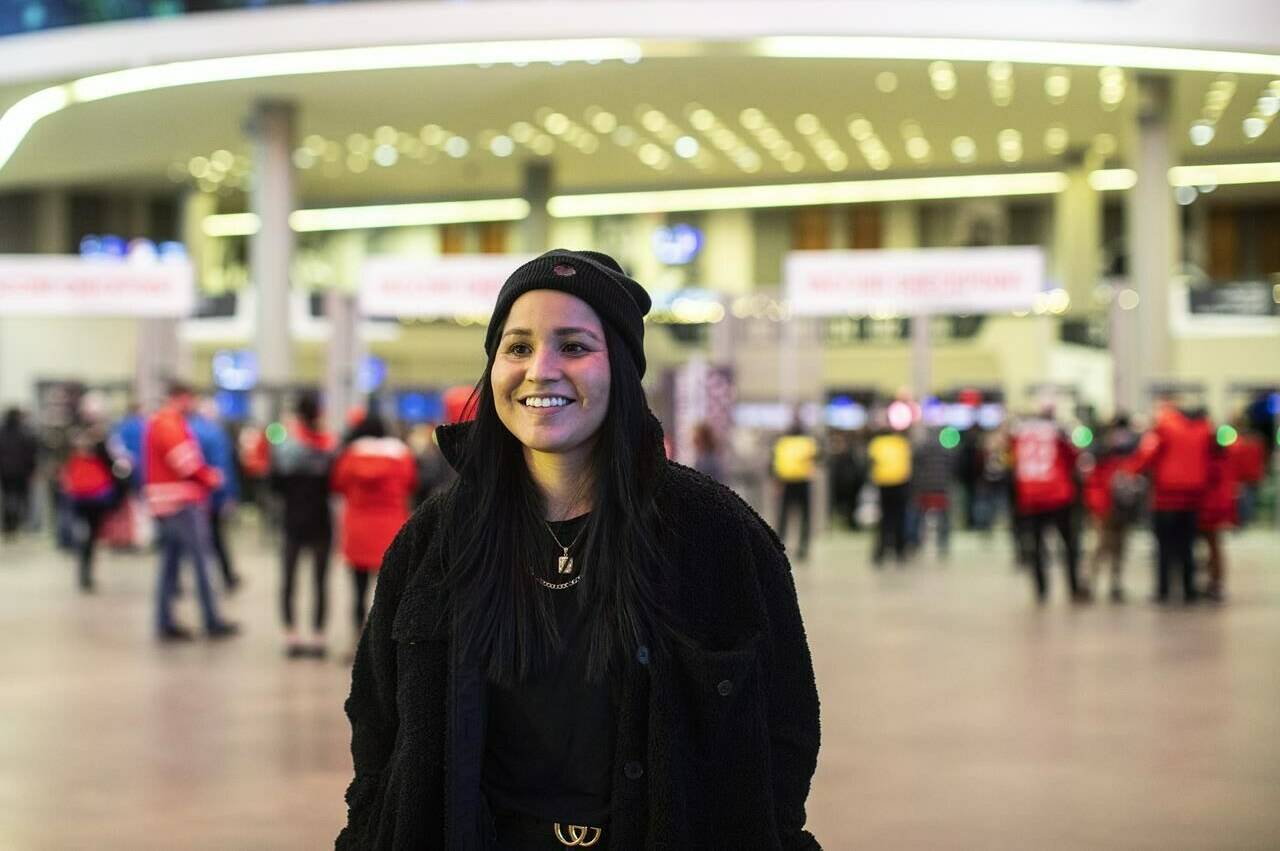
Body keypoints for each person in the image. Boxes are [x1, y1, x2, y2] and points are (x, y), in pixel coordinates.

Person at [337, 249, 821, 850]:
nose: (540, 369)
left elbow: (786, 733)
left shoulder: (716, 534)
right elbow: (377, 726)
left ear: (619, 366)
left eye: (573, 346)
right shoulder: (436, 538)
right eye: (517, 347)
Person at [143, 380, 238, 641]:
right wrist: (211, 479)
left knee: (170, 567)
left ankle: (165, 622)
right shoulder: (169, 423)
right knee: (200, 562)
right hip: (180, 504)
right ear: (181, 397)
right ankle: (212, 621)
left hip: (168, 504)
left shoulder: (161, 422)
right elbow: (185, 461)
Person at [331, 413, 416, 646]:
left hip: (358, 530)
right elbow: (410, 484)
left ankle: (357, 641)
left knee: (358, 591)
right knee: (391, 593)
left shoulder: (349, 456)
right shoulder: (401, 456)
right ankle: (388, 643)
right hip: (391, 530)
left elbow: (337, 485)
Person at [269, 393, 336, 658]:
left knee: (289, 579)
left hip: (292, 520)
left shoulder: (285, 448)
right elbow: (336, 483)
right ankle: (319, 637)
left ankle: (291, 635)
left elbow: (274, 486)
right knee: (320, 580)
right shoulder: (329, 447)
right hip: (321, 520)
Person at [1128, 401, 1215, 604]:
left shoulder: (1163, 428)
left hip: (1164, 499)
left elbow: (1146, 456)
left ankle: (1164, 590)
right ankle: (1189, 590)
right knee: (1187, 546)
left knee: (1164, 547)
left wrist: (1130, 471)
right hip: (1193, 499)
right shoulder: (1203, 430)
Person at [1011, 408, 1084, 603]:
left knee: (1036, 546)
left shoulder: (1020, 435)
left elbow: (1014, 461)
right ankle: (1073, 587)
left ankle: (1041, 589)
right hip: (1058, 495)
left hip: (1031, 496)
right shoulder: (1057, 433)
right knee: (1069, 544)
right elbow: (1073, 458)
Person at [58, 423, 127, 591]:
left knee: (85, 533)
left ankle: (84, 569)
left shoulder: (72, 448)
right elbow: (115, 469)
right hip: (96, 497)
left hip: (79, 496)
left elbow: (64, 471)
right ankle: (86, 571)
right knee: (91, 535)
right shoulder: (102, 447)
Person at [1082, 416, 1141, 603]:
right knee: (1101, 546)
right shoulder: (1100, 453)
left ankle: (1114, 584)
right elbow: (1092, 481)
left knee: (1119, 547)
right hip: (1104, 507)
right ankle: (1090, 583)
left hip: (1120, 507)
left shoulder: (1130, 452)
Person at [190, 398, 241, 591]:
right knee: (217, 538)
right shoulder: (216, 434)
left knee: (197, 541)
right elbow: (223, 469)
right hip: (212, 495)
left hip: (193, 497)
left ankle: (200, 579)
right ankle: (226, 577)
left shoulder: (188, 430)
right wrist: (230, 495)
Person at [771, 412, 819, 561]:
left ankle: (779, 545)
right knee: (803, 516)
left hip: (787, 482)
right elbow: (817, 459)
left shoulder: (782, 442)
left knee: (784, 516)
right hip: (802, 482)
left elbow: (774, 464)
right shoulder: (808, 442)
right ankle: (802, 547)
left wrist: (777, 481)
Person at [867, 420, 912, 566]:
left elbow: (871, 462)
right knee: (900, 519)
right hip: (900, 484)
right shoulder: (901, 443)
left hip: (883, 484)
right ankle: (900, 552)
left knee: (885, 520)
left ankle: (880, 552)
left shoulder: (877, 443)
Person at [1198, 444, 1237, 602]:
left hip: (1208, 509)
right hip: (1217, 508)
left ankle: (1215, 583)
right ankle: (1215, 582)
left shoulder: (1210, 463)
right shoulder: (1225, 461)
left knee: (1213, 547)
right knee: (1214, 547)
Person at [910, 427, 954, 560]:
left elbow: (915, 470)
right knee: (944, 518)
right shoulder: (945, 451)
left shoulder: (921, 450)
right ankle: (943, 544)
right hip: (941, 489)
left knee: (919, 518)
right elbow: (951, 469)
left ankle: (916, 542)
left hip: (925, 489)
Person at [0, 406, 39, 539]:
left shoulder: (3, 431)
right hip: (21, 471)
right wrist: (32, 469)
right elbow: (31, 453)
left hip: (5, 471)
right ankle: (19, 523)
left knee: (8, 498)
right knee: (22, 498)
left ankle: (9, 525)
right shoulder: (25, 432)